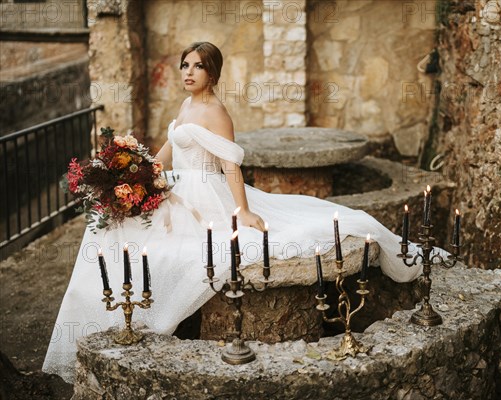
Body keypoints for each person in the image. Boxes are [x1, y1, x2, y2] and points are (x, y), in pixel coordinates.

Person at [42, 42, 426, 384]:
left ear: (213, 73)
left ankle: (135, 318)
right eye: (185, 65)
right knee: (111, 226)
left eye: (197, 66)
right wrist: (132, 173)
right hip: (176, 185)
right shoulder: (186, 104)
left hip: (206, 193)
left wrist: (242, 209)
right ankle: (102, 323)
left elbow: (230, 166)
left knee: (180, 249)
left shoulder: (217, 112)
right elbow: (167, 152)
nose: (188, 73)